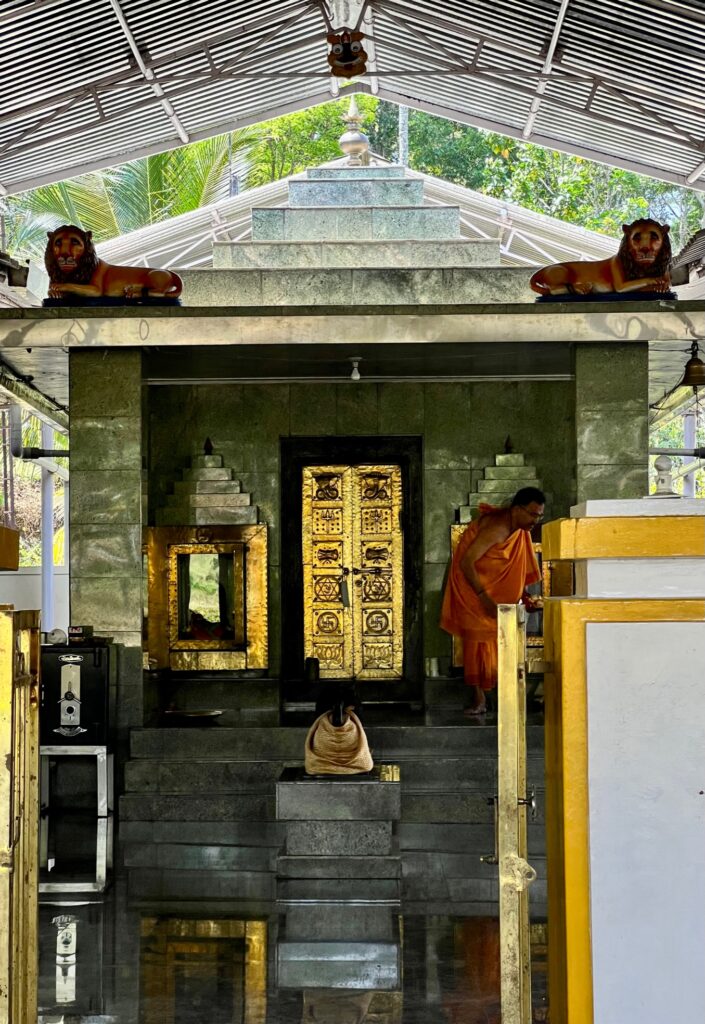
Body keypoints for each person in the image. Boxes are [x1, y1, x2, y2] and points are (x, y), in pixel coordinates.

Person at [440, 487, 545, 716]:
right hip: (474, 592)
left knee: (503, 646)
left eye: (539, 516)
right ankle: (479, 700)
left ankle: (504, 699)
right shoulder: (496, 528)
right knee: (478, 643)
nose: (535, 521)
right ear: (517, 509)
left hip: (498, 598)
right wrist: (483, 596)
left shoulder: (520, 530)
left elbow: (514, 571)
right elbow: (467, 563)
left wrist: (523, 595)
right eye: (532, 515)